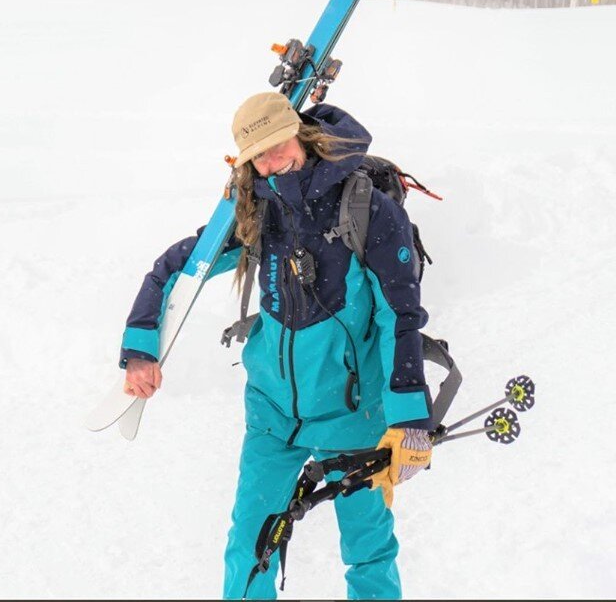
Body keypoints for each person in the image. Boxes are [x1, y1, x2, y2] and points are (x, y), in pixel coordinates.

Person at [120, 92, 434, 600]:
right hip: (272, 414)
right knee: (250, 546)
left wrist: (410, 419)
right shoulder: (253, 212)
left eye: (278, 145)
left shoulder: (367, 209)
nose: (272, 162)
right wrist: (140, 349)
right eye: (258, 156)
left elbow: (400, 316)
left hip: (354, 415)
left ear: (300, 134)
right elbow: (175, 269)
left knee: (368, 550)